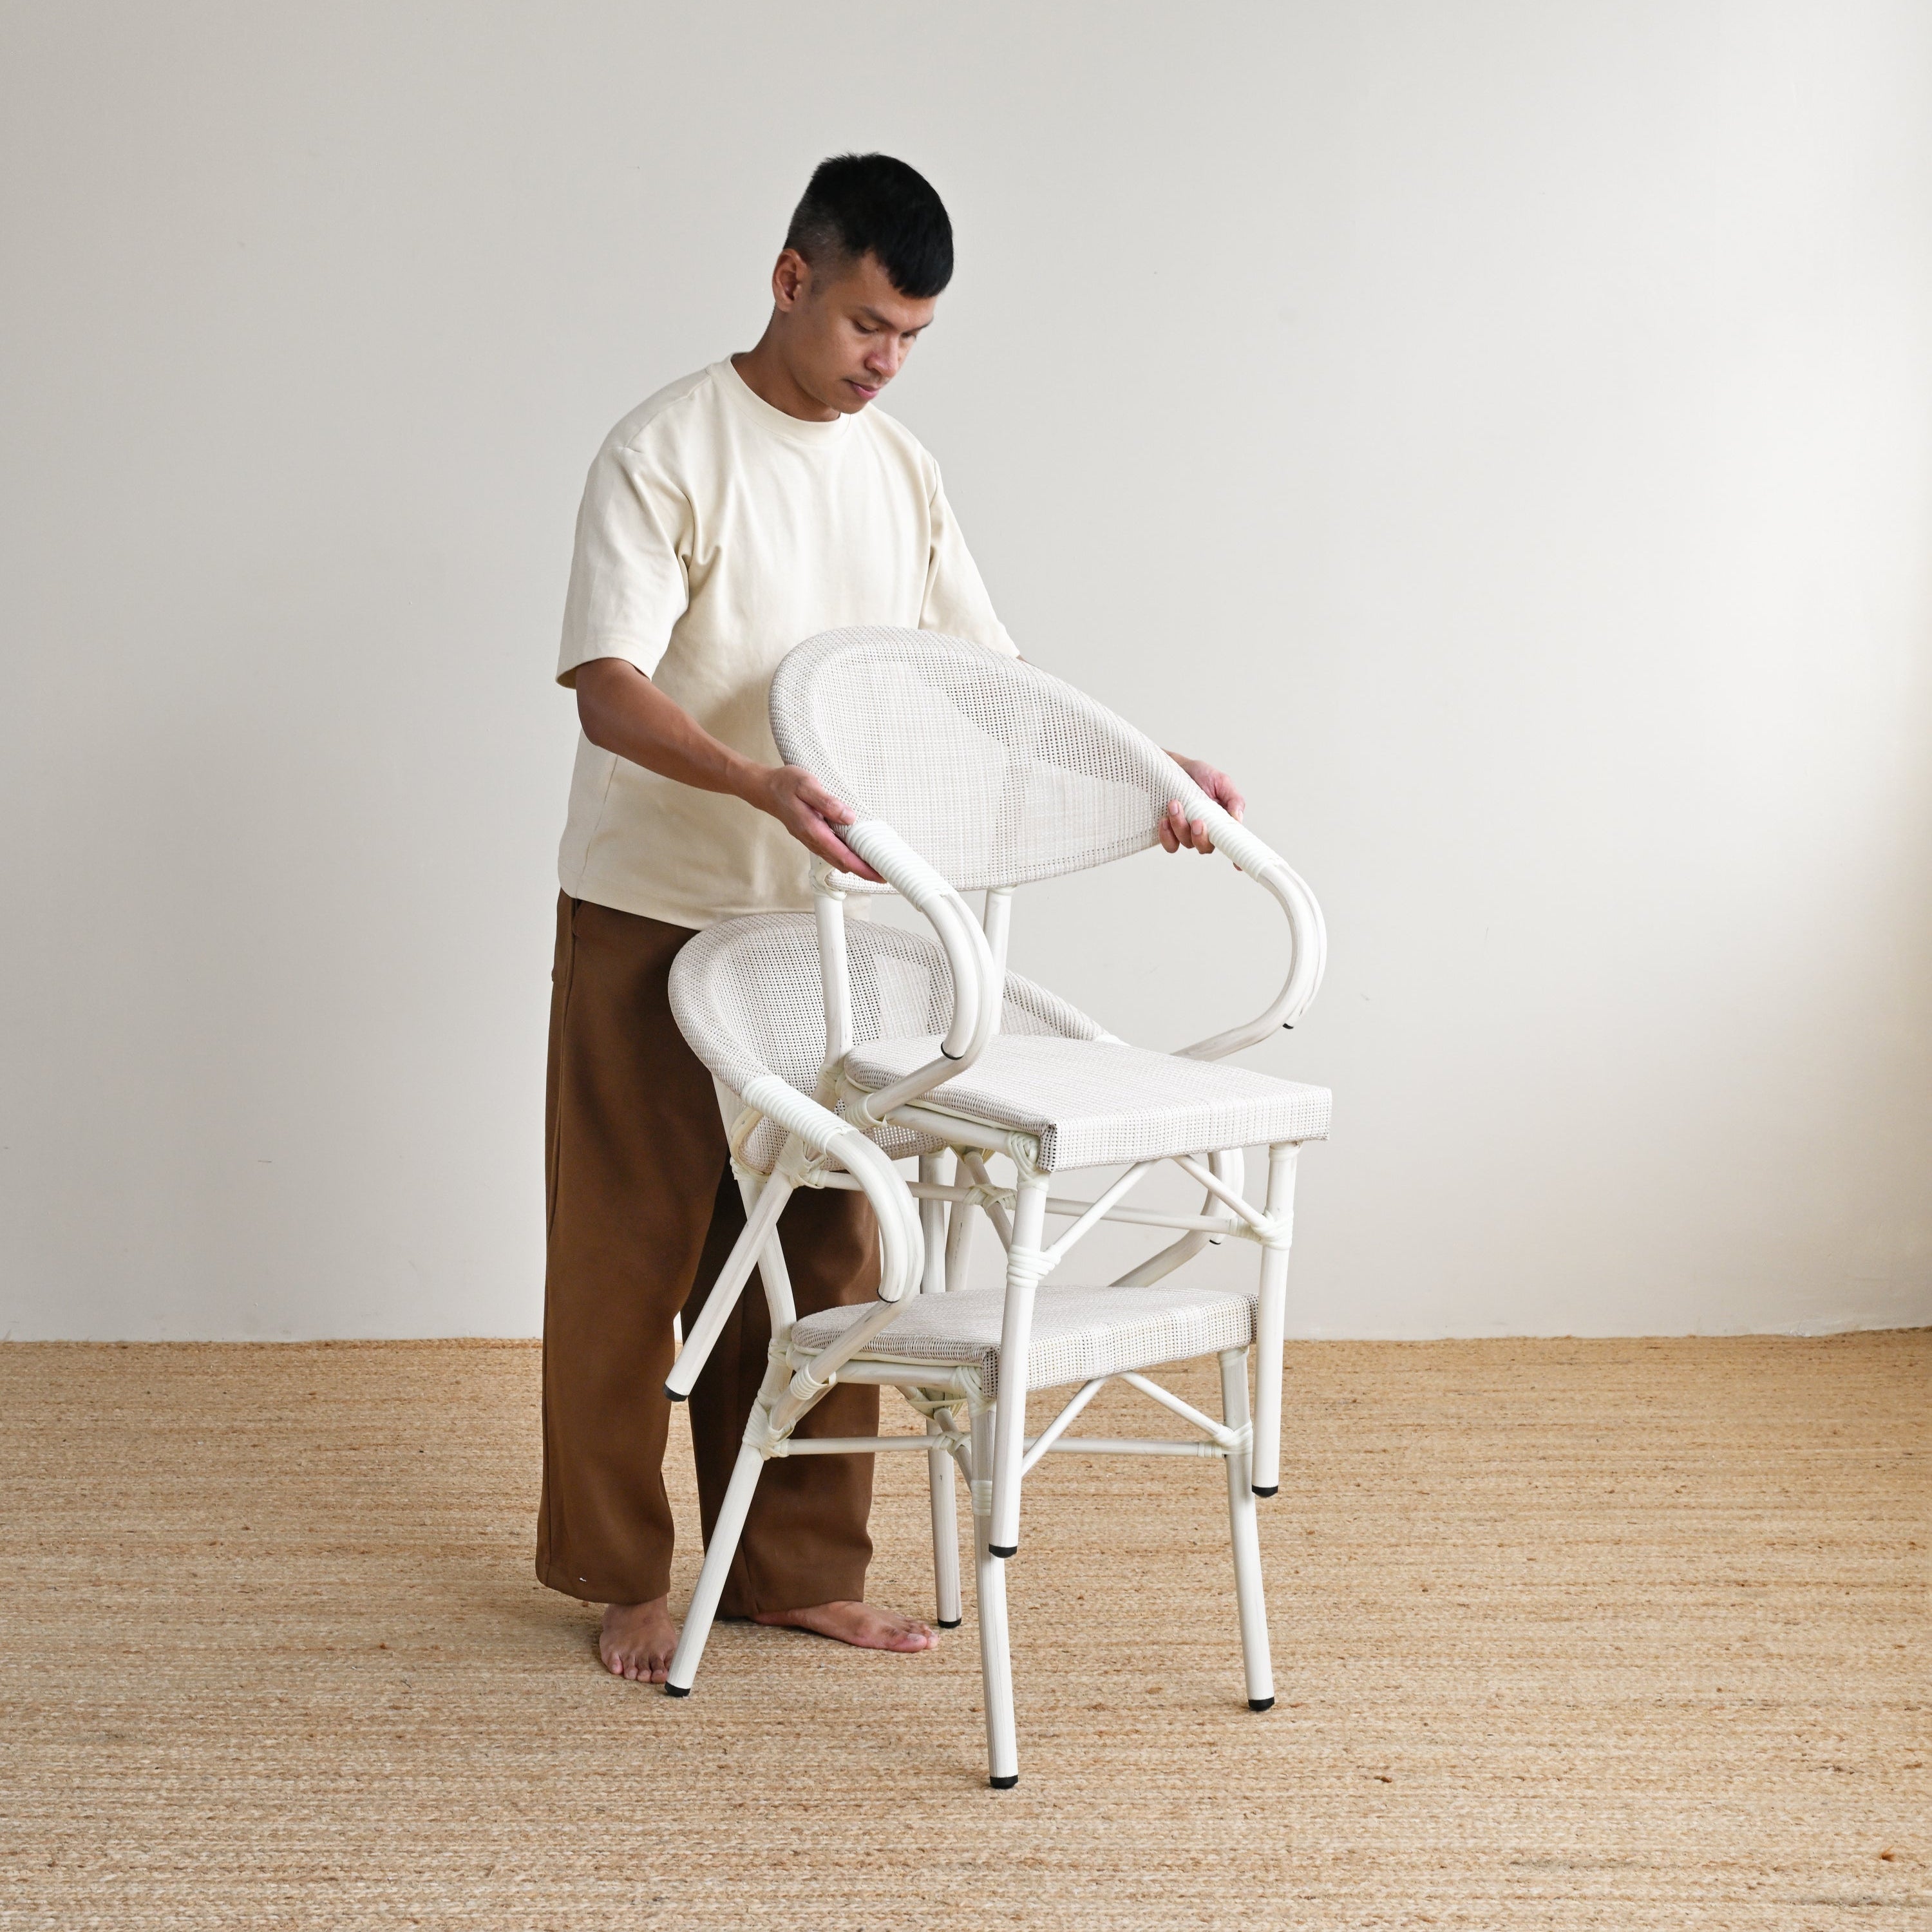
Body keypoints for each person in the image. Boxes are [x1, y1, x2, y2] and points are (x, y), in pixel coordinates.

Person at [540, 152, 1245, 1683]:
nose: (886, 361)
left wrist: (1151, 768)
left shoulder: (900, 470)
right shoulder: (668, 448)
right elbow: (609, 689)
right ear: (791, 279)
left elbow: (991, 690)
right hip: (656, 899)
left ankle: (790, 1566)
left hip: (831, 932)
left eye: (914, 337)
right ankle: (618, 1569)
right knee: (635, 1253)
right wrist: (752, 780)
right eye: (868, 322)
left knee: (827, 1242)